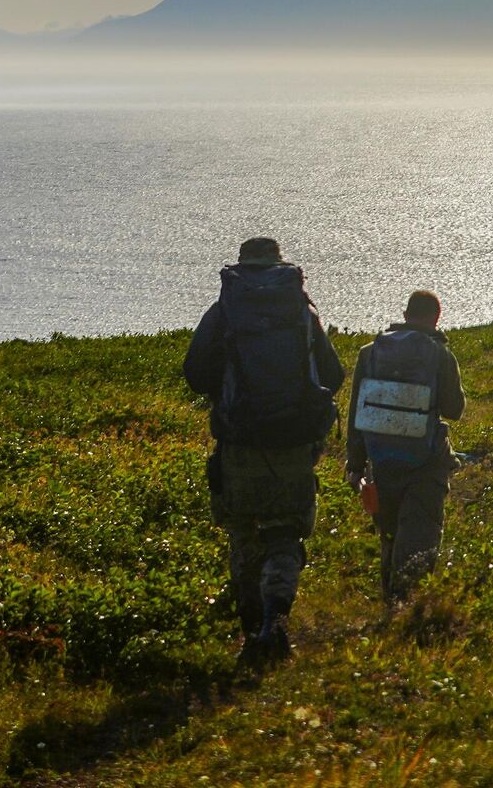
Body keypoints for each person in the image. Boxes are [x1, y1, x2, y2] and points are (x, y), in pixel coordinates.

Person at [183, 237, 345, 665]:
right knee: (284, 533)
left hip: (239, 444)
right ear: (280, 265)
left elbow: (195, 375)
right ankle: (276, 619)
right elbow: (333, 374)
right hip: (294, 445)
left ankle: (250, 630)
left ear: (240, 267)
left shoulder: (223, 312)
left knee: (243, 534)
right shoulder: (302, 313)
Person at [346, 290, 465, 606]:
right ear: (436, 317)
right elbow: (454, 409)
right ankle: (408, 608)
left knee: (389, 536)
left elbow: (358, 413)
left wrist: (355, 464)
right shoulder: (440, 355)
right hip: (425, 464)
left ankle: (389, 604)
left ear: (405, 313)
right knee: (420, 535)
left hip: (380, 462)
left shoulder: (369, 353)